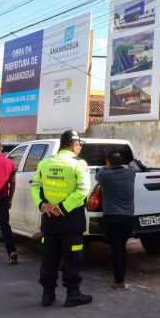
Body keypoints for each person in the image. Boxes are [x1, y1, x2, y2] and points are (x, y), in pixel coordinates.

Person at [31, 130, 92, 308]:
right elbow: (82, 190)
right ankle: (73, 294)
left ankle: (47, 295)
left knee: (49, 257)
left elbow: (35, 186)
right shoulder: (78, 164)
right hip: (71, 221)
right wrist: (63, 208)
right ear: (74, 145)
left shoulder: (45, 163)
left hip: (49, 220)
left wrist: (42, 204)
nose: (80, 148)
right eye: (79, 145)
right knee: (72, 257)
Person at [96, 152, 135, 291]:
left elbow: (98, 173)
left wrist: (106, 166)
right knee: (122, 247)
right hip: (128, 218)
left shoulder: (104, 175)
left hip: (112, 217)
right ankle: (120, 278)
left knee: (116, 249)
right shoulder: (131, 174)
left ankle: (119, 281)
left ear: (108, 163)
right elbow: (132, 167)